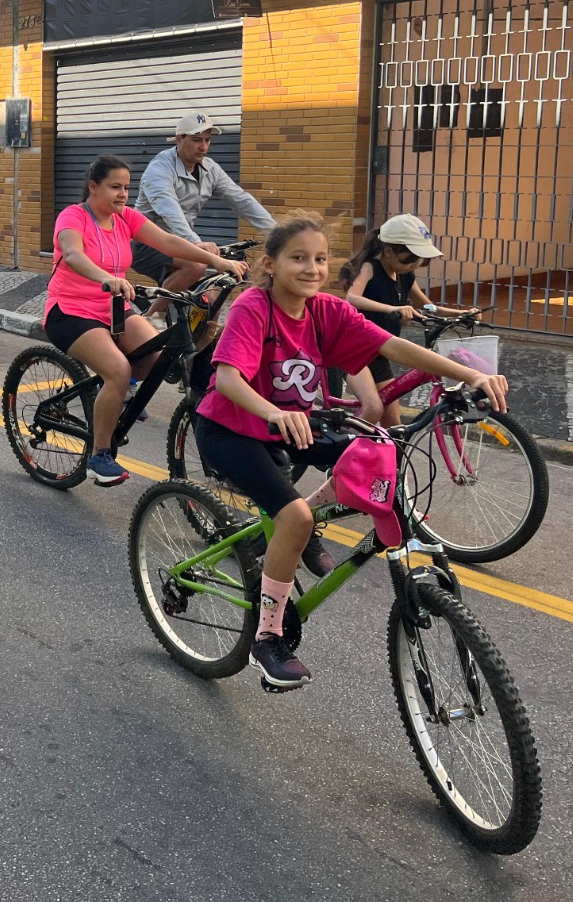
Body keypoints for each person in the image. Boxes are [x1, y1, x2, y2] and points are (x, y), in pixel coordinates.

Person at [192, 214, 510, 689]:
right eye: (298, 258)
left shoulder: (325, 310)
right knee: (296, 518)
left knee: (366, 454)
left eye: (320, 259)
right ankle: (267, 637)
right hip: (232, 427)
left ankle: (294, 533)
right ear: (270, 264)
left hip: (293, 424)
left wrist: (469, 375)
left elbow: (392, 346)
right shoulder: (253, 307)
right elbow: (227, 379)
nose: (312, 268)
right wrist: (274, 413)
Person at [46, 154, 247, 486]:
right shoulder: (73, 216)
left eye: (126, 187)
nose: (123, 194)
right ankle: (100, 455)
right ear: (93, 187)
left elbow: (168, 242)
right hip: (70, 310)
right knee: (119, 370)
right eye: (115, 187)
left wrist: (216, 261)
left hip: (113, 307)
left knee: (155, 362)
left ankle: (118, 393)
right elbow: (72, 254)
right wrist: (105, 278)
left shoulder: (126, 217)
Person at [341, 215, 479, 426]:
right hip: (352, 349)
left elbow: (427, 306)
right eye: (410, 258)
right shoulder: (370, 267)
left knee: (393, 421)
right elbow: (352, 298)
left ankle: (387, 457)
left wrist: (461, 314)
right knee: (373, 407)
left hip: (379, 351)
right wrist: (393, 308)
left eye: (419, 260)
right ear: (388, 252)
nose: (414, 265)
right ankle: (342, 452)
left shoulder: (405, 275)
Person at [135, 113, 276, 311]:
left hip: (180, 243)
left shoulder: (210, 169)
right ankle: (152, 314)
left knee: (212, 297)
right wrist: (195, 244)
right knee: (196, 266)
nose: (203, 146)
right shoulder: (159, 170)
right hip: (144, 242)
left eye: (207, 140)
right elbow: (169, 211)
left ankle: (199, 340)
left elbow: (240, 199)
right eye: (196, 140)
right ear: (179, 139)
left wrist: (276, 233)